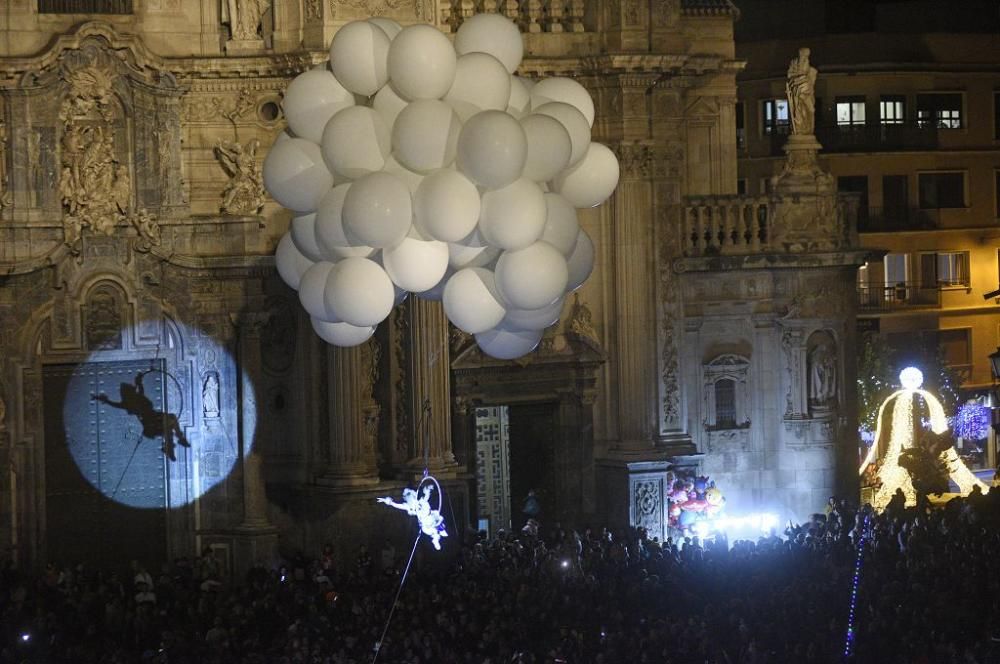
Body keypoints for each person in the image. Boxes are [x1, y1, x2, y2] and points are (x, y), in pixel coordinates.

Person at [785, 47, 818, 135]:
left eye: (805, 56)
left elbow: (811, 82)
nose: (803, 57)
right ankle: (799, 128)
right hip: (797, 94)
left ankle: (808, 129)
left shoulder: (811, 70)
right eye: (802, 55)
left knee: (811, 110)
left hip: (807, 94)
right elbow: (790, 76)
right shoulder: (794, 64)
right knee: (798, 110)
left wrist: (804, 81)